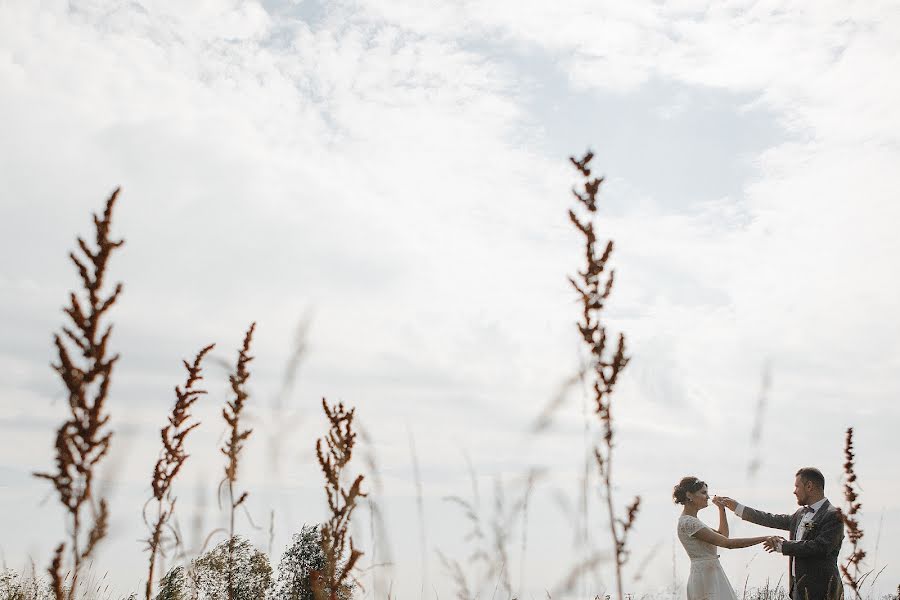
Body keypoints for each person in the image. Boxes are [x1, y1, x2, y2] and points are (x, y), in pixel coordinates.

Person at [715, 467, 844, 600]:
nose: (794, 491)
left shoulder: (833, 515)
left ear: (809, 486)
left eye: (797, 486)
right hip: (797, 590)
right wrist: (738, 508)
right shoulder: (800, 514)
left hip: (823, 591)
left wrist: (783, 546)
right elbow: (772, 519)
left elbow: (821, 547)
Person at [674, 476, 769, 600]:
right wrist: (764, 538)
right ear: (689, 495)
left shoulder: (694, 522)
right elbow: (728, 543)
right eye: (703, 493)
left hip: (711, 573)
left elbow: (723, 536)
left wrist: (721, 508)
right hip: (704, 577)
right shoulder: (688, 523)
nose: (708, 497)